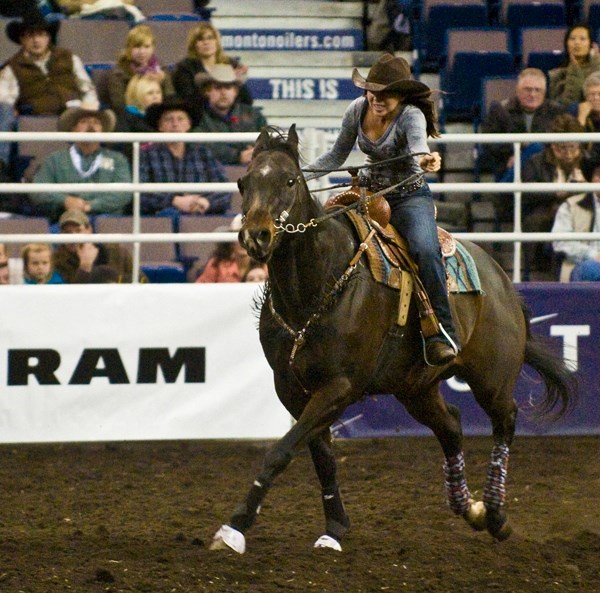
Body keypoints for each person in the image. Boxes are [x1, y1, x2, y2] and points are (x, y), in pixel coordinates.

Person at [306, 53, 457, 366]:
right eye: (371, 91)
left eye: (385, 94)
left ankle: (442, 332)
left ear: (401, 96)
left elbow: (419, 151)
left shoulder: (411, 115)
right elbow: (335, 157)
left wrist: (426, 161)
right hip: (367, 192)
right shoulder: (356, 110)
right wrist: (297, 175)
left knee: (424, 249)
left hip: (408, 196)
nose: (376, 98)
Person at [0, 14, 98, 181]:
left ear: (48, 37)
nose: (36, 40)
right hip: (36, 119)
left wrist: (88, 107)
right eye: (30, 35)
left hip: (74, 114)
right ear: (22, 39)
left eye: (41, 34)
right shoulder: (13, 67)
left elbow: (87, 88)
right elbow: (5, 99)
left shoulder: (69, 57)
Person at [30, 103, 132, 222]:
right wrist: (65, 201)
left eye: (96, 123)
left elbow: (124, 193)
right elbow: (38, 191)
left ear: (102, 130)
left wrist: (89, 206)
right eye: (84, 121)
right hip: (65, 219)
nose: (91, 126)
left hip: (106, 220)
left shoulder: (117, 159)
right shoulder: (54, 159)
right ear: (72, 129)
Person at [139, 98, 231, 216]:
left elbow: (224, 189)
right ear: (160, 126)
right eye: (168, 119)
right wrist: (174, 200)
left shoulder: (203, 152)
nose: (175, 124)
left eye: (180, 119)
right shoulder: (147, 154)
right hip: (162, 217)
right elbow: (141, 194)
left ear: (189, 124)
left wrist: (206, 202)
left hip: (201, 213)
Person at [522, 114, 586, 279]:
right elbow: (527, 194)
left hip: (581, 210)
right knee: (535, 221)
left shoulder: (588, 162)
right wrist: (554, 193)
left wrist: (584, 186)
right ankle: (538, 268)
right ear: (552, 146)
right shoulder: (535, 162)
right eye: (562, 148)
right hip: (546, 209)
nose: (568, 153)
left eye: (573, 147)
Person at [480, 68, 567, 182]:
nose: (533, 94)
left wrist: (523, 155)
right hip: (510, 167)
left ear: (545, 92)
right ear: (517, 90)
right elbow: (489, 144)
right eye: (527, 89)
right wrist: (516, 151)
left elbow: (562, 144)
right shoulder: (500, 110)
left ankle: (502, 194)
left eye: (538, 90)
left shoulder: (556, 111)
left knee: (537, 148)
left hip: (547, 168)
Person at [192, 64, 267, 166]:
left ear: (235, 92)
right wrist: (237, 156)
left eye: (228, 87)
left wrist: (258, 151)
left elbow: (269, 139)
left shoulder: (254, 114)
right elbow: (199, 145)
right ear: (207, 91)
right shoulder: (197, 116)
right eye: (217, 88)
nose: (223, 92)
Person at [172, 22, 253, 107]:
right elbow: (187, 100)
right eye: (200, 39)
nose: (206, 42)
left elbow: (247, 101)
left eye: (210, 38)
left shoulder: (230, 64)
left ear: (217, 42)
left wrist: (237, 81)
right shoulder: (185, 67)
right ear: (194, 45)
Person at [53, 209, 138, 283]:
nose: (73, 237)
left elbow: (142, 281)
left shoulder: (117, 252)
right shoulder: (56, 261)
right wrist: (84, 267)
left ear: (89, 229)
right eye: (67, 232)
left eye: (78, 230)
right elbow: (71, 296)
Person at [107, 24, 175, 115]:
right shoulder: (118, 73)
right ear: (128, 48)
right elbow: (119, 106)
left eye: (147, 47)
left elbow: (171, 100)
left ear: (153, 48)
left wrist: (162, 82)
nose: (142, 52)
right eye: (137, 47)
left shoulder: (160, 68)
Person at [552, 155, 600, 282]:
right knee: (589, 269)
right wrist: (593, 255)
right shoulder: (570, 205)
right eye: (599, 175)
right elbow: (560, 241)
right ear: (591, 179)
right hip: (581, 265)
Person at [549, 24, 600, 108]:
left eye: (582, 39)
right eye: (572, 39)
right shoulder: (557, 75)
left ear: (591, 44)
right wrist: (574, 70)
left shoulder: (597, 67)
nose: (577, 42)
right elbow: (565, 106)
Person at [114, 73, 163, 160]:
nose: (156, 97)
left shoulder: (163, 116)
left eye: (158, 92)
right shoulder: (127, 117)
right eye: (150, 93)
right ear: (137, 95)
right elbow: (122, 147)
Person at [573, 71, 600, 158]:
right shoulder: (575, 111)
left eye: (599, 94)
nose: (596, 98)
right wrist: (582, 117)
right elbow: (572, 144)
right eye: (592, 94)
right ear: (585, 97)